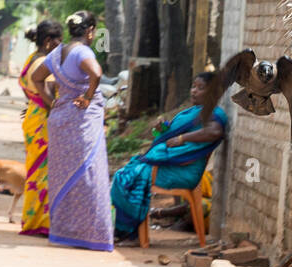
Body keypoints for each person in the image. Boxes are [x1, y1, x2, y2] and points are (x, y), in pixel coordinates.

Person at [25, 11, 113, 251]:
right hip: (82, 121)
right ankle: (91, 233)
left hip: (60, 119)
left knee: (64, 176)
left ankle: (66, 231)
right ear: (90, 31)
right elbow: (96, 73)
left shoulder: (58, 52)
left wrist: (50, 102)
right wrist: (86, 96)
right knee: (90, 174)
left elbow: (37, 77)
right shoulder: (82, 52)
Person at [111, 73, 227, 241]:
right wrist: (162, 128)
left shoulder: (214, 113)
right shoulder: (192, 112)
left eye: (201, 88)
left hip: (183, 171)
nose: (194, 91)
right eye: (193, 86)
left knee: (125, 178)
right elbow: (170, 134)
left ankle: (128, 230)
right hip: (171, 167)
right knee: (125, 173)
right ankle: (128, 230)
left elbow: (215, 131)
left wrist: (182, 138)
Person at [16, 20, 63, 237]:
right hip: (42, 119)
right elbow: (49, 97)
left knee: (37, 168)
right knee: (43, 171)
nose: (61, 45)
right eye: (58, 41)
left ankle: (34, 218)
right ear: (47, 41)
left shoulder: (31, 59)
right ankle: (39, 222)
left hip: (32, 117)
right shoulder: (43, 63)